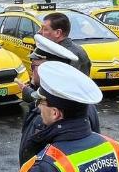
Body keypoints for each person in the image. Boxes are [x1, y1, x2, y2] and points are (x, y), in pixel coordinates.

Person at [16, 35, 100, 164]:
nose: (31, 70)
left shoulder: (45, 112)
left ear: (49, 67)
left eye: (34, 66)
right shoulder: (81, 102)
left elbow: (31, 160)